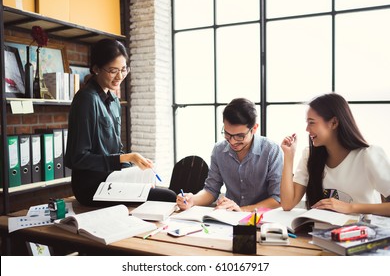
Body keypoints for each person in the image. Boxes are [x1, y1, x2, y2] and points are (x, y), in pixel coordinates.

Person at [65, 38, 176, 206]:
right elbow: (77, 158)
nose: (120, 76)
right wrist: (127, 157)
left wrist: (135, 170)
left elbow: (116, 150)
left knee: (160, 189)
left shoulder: (114, 101)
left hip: (112, 178)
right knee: (168, 196)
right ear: (96, 69)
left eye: (123, 69)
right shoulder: (86, 99)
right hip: (91, 187)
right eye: (112, 70)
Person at [280, 93, 390, 216]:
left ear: (334, 123)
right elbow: (287, 204)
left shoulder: (368, 155)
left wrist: (350, 207)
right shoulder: (310, 155)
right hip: (323, 232)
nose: (307, 129)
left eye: (312, 122)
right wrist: (289, 156)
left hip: (363, 232)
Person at [176, 98, 283, 212]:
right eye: (227, 134)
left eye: (239, 136)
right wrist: (193, 200)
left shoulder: (271, 150)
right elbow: (211, 190)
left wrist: (242, 210)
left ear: (254, 128)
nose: (232, 142)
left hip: (261, 220)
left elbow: (277, 199)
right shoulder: (219, 150)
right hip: (229, 218)